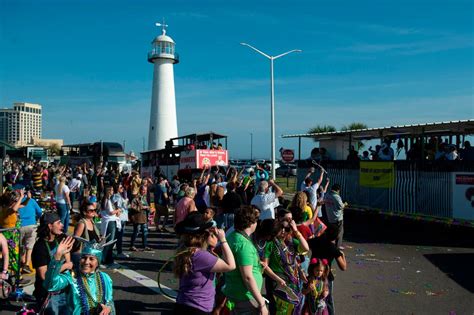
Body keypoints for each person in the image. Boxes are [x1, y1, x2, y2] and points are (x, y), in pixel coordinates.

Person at [174, 212, 235, 314]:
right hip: (198, 307)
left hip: (184, 303)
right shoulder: (201, 256)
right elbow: (231, 265)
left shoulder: (184, 250)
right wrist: (223, 239)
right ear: (203, 236)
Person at [43, 236, 115, 314]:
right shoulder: (71, 276)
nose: (86, 262)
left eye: (91, 259)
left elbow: (109, 301)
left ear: (98, 263)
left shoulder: (105, 278)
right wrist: (57, 256)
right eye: (84, 258)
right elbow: (50, 285)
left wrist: (108, 308)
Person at [223, 206, 269, 315]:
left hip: (235, 291)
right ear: (251, 223)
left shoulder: (232, 236)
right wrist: (261, 303)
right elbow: (247, 277)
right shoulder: (244, 244)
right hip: (245, 297)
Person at [264, 220, 309, 315]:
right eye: (281, 227)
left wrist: (296, 231)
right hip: (278, 281)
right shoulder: (271, 243)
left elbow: (306, 248)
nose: (283, 230)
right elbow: (265, 265)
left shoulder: (292, 242)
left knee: (291, 310)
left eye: (287, 228)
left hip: (292, 282)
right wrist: (278, 279)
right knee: (280, 310)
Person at [32, 213, 72, 313]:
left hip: (62, 288)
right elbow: (44, 275)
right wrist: (65, 265)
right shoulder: (40, 247)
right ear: (50, 226)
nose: (62, 225)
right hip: (47, 294)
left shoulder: (59, 239)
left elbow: (68, 259)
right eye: (58, 223)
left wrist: (67, 253)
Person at [307, 228, 347, 315]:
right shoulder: (333, 248)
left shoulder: (315, 241)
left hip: (313, 275)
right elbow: (343, 267)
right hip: (326, 277)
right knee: (327, 300)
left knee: (311, 298)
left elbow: (306, 245)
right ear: (335, 237)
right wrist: (342, 255)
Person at [0, 190, 24, 279]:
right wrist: (21, 197)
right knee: (14, 255)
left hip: (11, 235)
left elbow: (23, 205)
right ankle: (18, 277)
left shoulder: (4, 208)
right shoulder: (8, 210)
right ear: (11, 202)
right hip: (10, 236)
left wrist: (27, 198)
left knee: (13, 255)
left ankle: (15, 274)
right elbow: (14, 209)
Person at [18, 190, 42, 274]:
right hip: (31, 225)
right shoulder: (32, 201)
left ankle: (22, 261)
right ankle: (26, 264)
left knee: (20, 245)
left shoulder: (16, 202)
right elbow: (39, 212)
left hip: (19, 226)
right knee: (30, 247)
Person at [72, 200, 101, 266]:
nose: (94, 212)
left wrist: (100, 239)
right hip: (83, 257)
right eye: (91, 210)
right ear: (84, 212)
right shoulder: (81, 223)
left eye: (94, 210)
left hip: (93, 254)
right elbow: (75, 239)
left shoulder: (92, 222)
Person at [100, 186, 120, 266]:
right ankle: (105, 258)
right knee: (110, 241)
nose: (112, 191)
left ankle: (107, 257)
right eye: (111, 190)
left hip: (110, 220)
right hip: (110, 221)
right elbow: (111, 212)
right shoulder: (107, 200)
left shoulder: (108, 200)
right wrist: (118, 210)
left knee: (109, 240)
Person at [323, 184, 347, 249]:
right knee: (339, 232)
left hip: (330, 217)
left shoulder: (327, 195)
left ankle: (329, 245)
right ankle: (337, 247)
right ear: (338, 190)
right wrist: (345, 204)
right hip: (337, 218)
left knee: (331, 232)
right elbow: (341, 206)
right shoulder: (336, 196)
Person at [129, 185, 151, 251]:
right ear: (140, 190)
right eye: (143, 190)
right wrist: (143, 207)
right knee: (136, 231)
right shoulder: (136, 198)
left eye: (146, 190)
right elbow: (132, 206)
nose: (144, 192)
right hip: (137, 218)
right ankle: (132, 245)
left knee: (145, 232)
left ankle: (145, 245)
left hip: (144, 217)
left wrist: (148, 209)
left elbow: (146, 207)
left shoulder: (144, 198)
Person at [112, 183, 129, 259]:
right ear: (117, 189)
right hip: (120, 219)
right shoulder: (117, 197)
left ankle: (114, 251)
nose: (123, 188)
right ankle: (119, 252)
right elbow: (117, 207)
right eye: (121, 187)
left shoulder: (119, 196)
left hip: (122, 218)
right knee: (119, 236)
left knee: (117, 235)